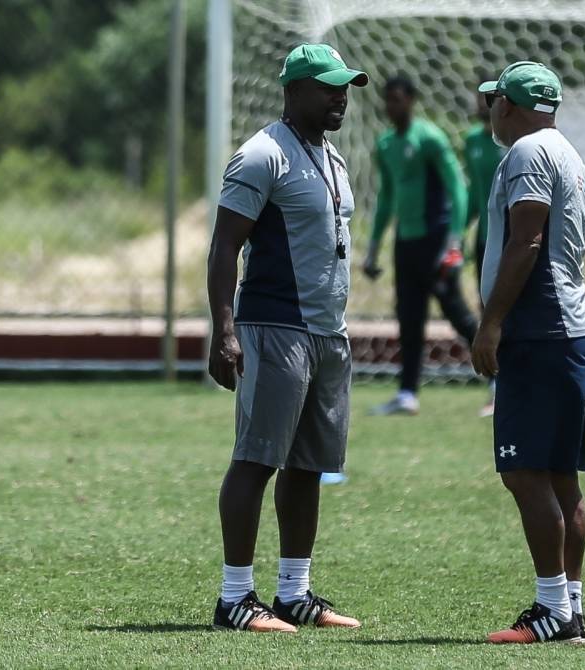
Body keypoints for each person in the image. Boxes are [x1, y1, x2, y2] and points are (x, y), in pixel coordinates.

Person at [206, 43, 365, 633]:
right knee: (256, 460)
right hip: (275, 328)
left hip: (327, 334)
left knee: (308, 466)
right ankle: (234, 598)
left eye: (344, 86)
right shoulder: (260, 155)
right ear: (293, 90)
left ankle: (294, 592)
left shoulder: (331, 157)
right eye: (328, 86)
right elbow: (224, 247)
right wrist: (225, 329)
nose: (340, 96)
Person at [471, 61, 585, 645]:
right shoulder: (569, 153)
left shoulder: (526, 154)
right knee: (560, 478)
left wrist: (491, 322)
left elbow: (526, 240)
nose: (490, 110)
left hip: (541, 331)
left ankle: (552, 607)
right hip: (574, 331)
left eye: (495, 100)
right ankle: (569, 605)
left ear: (511, 105)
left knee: (525, 473)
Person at [364, 77, 479, 416]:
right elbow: (386, 198)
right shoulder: (385, 145)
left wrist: (454, 241)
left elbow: (456, 188)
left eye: (397, 99)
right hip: (406, 242)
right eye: (387, 100)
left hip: (435, 240)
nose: (391, 106)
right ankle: (407, 394)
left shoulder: (429, 138)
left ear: (411, 101)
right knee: (409, 318)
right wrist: (373, 247)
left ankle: (501, 377)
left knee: (456, 312)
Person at [463, 86, 506, 417]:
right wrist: (456, 240)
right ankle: (495, 387)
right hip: (484, 241)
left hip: (514, 240)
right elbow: (473, 197)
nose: (481, 103)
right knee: (486, 311)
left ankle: (511, 386)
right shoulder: (473, 142)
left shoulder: (514, 146)